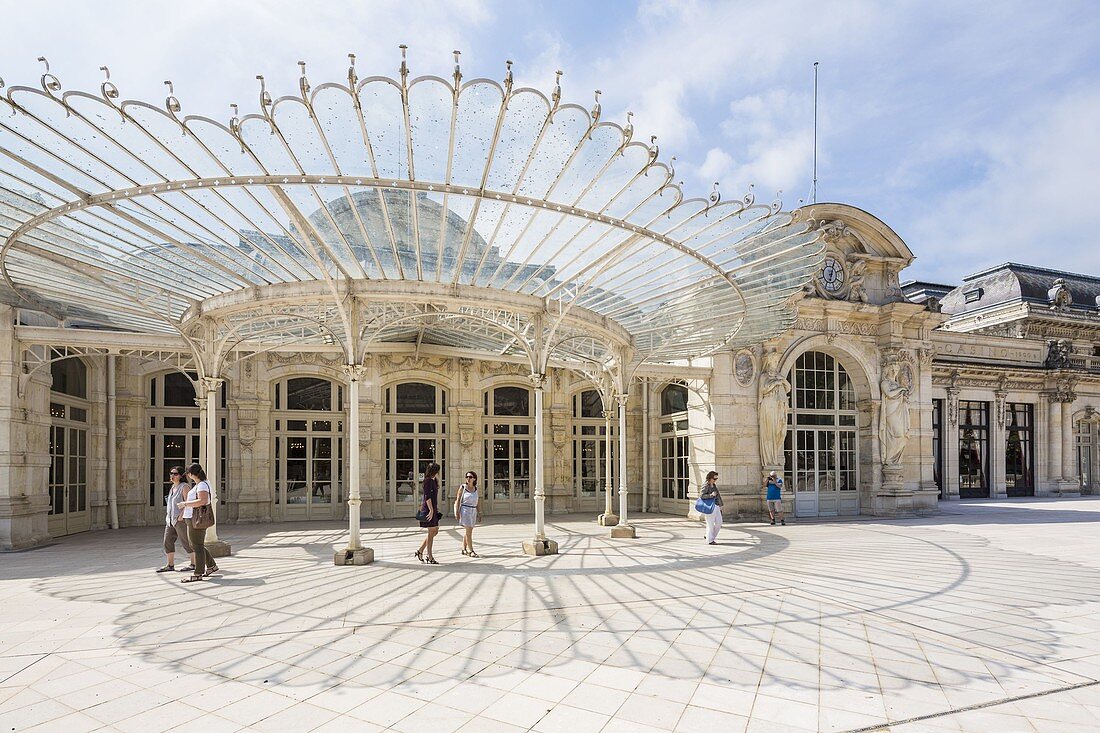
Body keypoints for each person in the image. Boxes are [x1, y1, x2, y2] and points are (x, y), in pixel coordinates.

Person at [176, 463, 219, 583]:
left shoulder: (202, 485)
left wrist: (185, 504)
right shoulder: (202, 484)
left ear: (190, 474)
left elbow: (202, 501)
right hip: (193, 517)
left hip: (197, 518)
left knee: (197, 546)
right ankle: (211, 566)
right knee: (195, 544)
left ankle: (198, 573)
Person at [157, 466, 195, 573]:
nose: (172, 476)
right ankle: (170, 564)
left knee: (186, 541)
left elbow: (188, 502)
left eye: (175, 474)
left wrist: (181, 516)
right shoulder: (172, 487)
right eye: (171, 473)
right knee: (167, 541)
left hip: (180, 519)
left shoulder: (184, 487)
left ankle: (194, 563)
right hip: (170, 519)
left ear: (181, 475)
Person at [415, 463, 442, 564]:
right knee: (431, 532)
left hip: (433, 508)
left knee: (435, 531)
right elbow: (427, 497)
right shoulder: (427, 481)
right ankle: (429, 556)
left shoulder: (434, 480)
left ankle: (420, 551)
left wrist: (435, 508)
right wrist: (431, 510)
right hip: (428, 509)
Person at [454, 470, 482, 557]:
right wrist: (457, 512)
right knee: (469, 532)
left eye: (470, 477)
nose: (468, 479)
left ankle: (463, 548)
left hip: (473, 511)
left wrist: (479, 512)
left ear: (474, 479)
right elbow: (458, 500)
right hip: (465, 510)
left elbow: (477, 501)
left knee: (468, 531)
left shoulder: (476, 488)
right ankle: (471, 550)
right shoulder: (463, 487)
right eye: (467, 477)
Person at [700, 471, 723, 545]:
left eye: (716, 478)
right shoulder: (706, 485)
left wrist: (720, 505)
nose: (715, 480)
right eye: (714, 478)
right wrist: (711, 495)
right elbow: (701, 496)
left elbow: (718, 495)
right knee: (710, 523)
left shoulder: (714, 485)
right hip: (709, 506)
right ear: (710, 478)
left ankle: (708, 536)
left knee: (719, 522)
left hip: (716, 505)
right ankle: (710, 540)